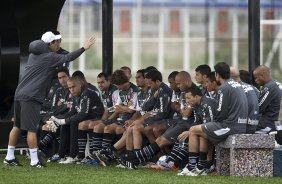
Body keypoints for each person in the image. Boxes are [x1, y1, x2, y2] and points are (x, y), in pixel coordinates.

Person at [3, 31, 96, 168]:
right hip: (31, 96)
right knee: (32, 129)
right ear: (50, 43)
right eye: (57, 42)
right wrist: (84, 48)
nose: (59, 44)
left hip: (19, 94)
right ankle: (34, 161)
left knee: (17, 126)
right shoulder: (49, 57)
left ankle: (9, 157)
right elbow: (68, 57)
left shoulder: (33, 55)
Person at [178, 62, 248, 176]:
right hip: (240, 125)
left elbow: (220, 113)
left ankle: (195, 167)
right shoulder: (237, 85)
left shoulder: (223, 88)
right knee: (201, 130)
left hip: (230, 127)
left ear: (217, 75)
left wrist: (212, 123)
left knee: (193, 130)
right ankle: (200, 166)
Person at [253, 65, 282, 133]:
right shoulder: (277, 84)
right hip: (277, 122)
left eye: (256, 78)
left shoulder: (269, 87)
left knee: (247, 127)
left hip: (269, 123)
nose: (255, 81)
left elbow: (259, 107)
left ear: (262, 75)